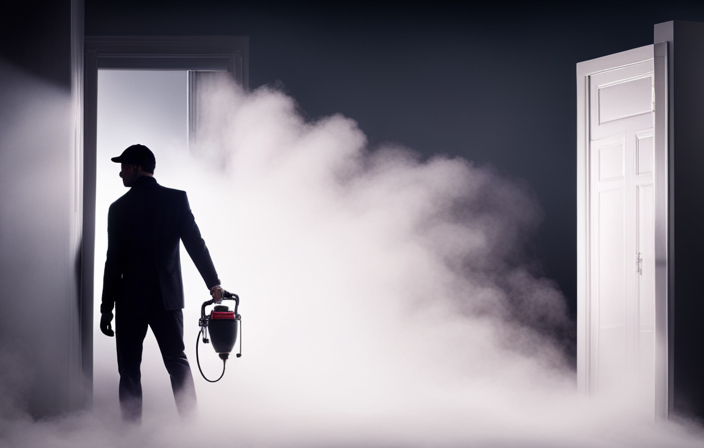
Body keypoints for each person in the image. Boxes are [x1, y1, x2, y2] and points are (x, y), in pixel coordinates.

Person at [99, 144, 224, 423]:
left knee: (129, 371)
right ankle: (191, 430)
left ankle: (130, 437)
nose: (120, 173)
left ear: (135, 168)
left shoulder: (118, 208)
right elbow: (195, 244)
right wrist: (213, 283)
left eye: (123, 167)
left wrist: (106, 308)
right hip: (166, 299)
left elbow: (113, 262)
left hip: (129, 301)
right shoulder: (176, 200)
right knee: (177, 363)